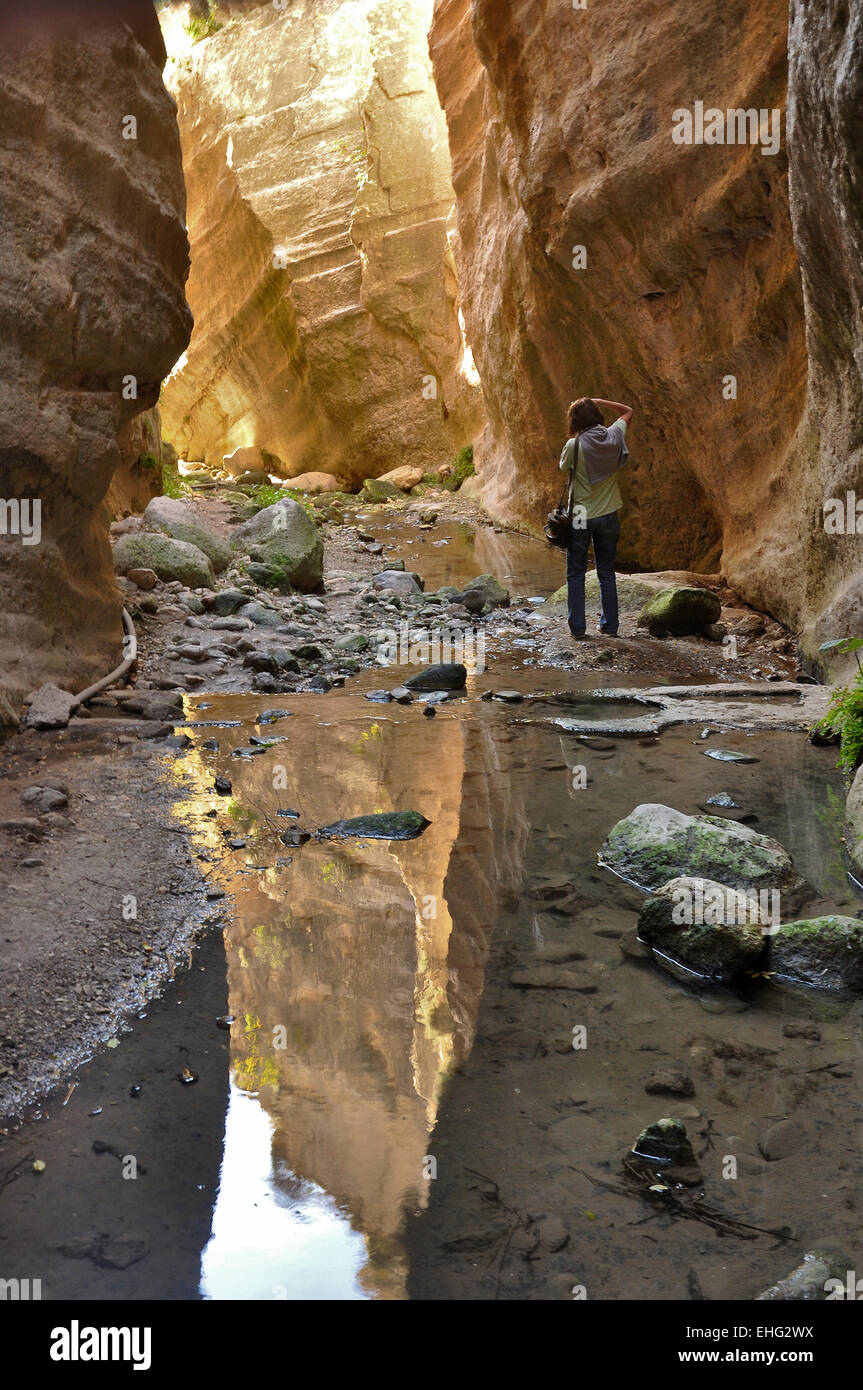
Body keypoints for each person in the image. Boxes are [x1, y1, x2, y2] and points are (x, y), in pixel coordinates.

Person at [559, 395, 634, 640]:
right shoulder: (614, 435)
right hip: (609, 512)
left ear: (575, 421)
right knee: (606, 571)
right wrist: (602, 401)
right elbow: (627, 411)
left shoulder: (574, 445)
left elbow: (563, 468)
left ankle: (578, 628)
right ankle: (610, 625)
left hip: (581, 514)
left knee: (576, 572)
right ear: (597, 416)